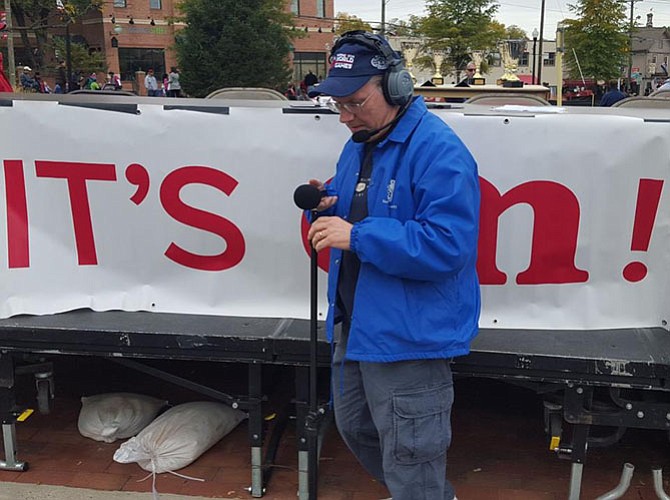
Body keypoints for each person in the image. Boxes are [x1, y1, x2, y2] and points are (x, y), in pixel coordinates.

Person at [305, 31, 480, 500]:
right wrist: (324, 209)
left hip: (408, 336)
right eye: (337, 105)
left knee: (411, 457)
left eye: (356, 102)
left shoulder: (439, 151)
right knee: (357, 429)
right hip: (356, 326)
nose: (344, 116)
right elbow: (354, 212)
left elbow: (448, 245)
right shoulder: (361, 140)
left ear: (397, 87)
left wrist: (357, 235)